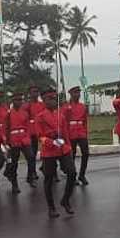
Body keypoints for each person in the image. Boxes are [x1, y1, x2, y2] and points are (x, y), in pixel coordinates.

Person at [34, 89, 77, 218]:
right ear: (44, 101)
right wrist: (51, 141)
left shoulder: (61, 116)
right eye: (50, 99)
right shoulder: (40, 117)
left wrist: (68, 147)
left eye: (54, 99)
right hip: (49, 150)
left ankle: (65, 200)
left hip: (62, 148)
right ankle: (51, 207)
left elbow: (65, 134)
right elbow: (40, 136)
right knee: (49, 179)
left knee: (72, 173)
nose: (53, 101)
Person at [3, 92, 33, 193]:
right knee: (14, 163)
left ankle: (30, 177)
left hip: (24, 139)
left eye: (20, 100)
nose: (19, 102)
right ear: (12, 101)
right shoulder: (8, 113)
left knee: (31, 157)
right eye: (16, 100)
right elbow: (6, 128)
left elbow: (28, 127)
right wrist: (7, 142)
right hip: (14, 140)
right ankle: (14, 184)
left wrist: (28, 137)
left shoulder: (25, 113)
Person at [63, 86, 91, 185]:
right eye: (75, 93)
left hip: (81, 132)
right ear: (70, 94)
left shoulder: (83, 106)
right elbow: (64, 122)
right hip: (71, 133)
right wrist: (65, 137)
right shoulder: (66, 107)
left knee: (86, 153)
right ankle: (72, 176)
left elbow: (85, 121)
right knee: (72, 156)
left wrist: (85, 133)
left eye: (78, 93)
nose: (77, 95)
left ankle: (82, 175)